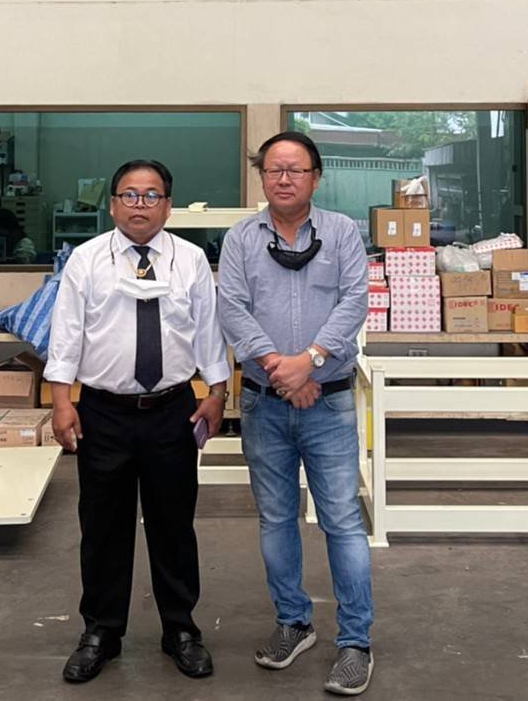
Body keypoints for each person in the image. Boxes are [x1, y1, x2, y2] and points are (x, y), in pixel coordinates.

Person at [44, 159, 230, 684]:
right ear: (112, 205)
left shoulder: (190, 260)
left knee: (174, 525)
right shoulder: (86, 261)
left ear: (168, 206)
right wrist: (61, 401)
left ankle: (181, 630)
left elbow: (207, 331)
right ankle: (101, 632)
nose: (140, 205)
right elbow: (67, 334)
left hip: (173, 411)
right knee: (103, 527)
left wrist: (217, 392)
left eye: (151, 195)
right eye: (129, 194)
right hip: (103, 413)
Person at [218, 132, 374, 697]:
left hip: (328, 399)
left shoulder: (343, 232)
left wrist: (308, 362)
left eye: (296, 169)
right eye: (274, 170)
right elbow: (231, 306)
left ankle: (355, 641)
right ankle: (294, 622)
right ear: (262, 177)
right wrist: (277, 367)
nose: (284, 179)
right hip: (265, 402)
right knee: (276, 519)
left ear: (316, 176)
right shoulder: (241, 238)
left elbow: (354, 301)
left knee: (343, 521)